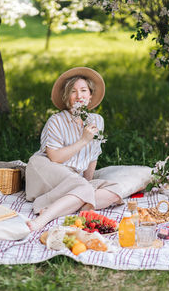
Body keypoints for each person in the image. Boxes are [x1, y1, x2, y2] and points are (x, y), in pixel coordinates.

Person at [25, 67, 123, 231]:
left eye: (84, 90)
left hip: (72, 179)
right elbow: (55, 157)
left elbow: (93, 156)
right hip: (46, 169)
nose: (79, 96)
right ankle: (42, 219)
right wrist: (83, 140)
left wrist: (88, 182)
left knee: (115, 191)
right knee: (83, 187)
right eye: (73, 91)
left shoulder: (97, 120)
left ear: (90, 95)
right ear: (66, 97)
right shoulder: (56, 120)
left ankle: (70, 206)